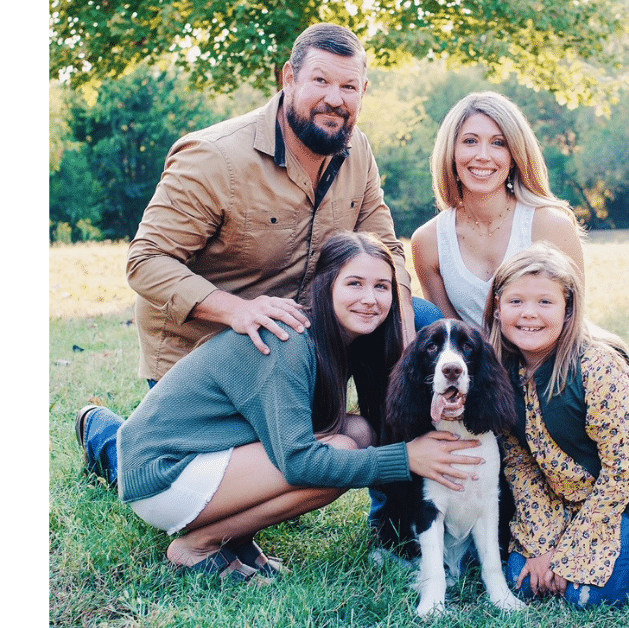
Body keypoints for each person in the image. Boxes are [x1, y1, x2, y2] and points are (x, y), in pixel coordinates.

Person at [78, 23, 443, 486]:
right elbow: (146, 259)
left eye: (349, 86)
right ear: (289, 78)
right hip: (211, 357)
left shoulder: (357, 151)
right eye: (320, 81)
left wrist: (403, 313)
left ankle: (399, 519)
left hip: (301, 348)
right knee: (196, 475)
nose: (336, 98)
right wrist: (239, 311)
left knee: (423, 321)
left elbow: (385, 245)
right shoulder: (215, 157)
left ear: (364, 91)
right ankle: (112, 440)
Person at [78, 232, 482, 581]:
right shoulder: (288, 342)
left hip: (207, 457)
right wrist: (405, 457)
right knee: (337, 453)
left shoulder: (339, 340)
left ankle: (236, 538)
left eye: (381, 286)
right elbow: (298, 462)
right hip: (160, 474)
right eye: (354, 284)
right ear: (325, 287)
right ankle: (198, 546)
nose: (370, 299)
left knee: (357, 432)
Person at [484, 243, 629, 608]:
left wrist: (569, 558)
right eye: (516, 301)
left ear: (568, 311)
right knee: (525, 582)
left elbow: (621, 472)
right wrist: (546, 548)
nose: (529, 314)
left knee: (586, 596)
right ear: (498, 308)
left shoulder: (598, 366)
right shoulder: (499, 372)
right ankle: (592, 544)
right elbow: (520, 464)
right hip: (565, 497)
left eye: (545, 302)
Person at [410, 91, 585, 329]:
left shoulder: (551, 225)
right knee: (420, 312)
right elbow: (450, 337)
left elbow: (573, 322)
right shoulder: (428, 241)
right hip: (476, 364)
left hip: (545, 361)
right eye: (470, 141)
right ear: (451, 153)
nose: (483, 156)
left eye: (498, 143)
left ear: (514, 156)